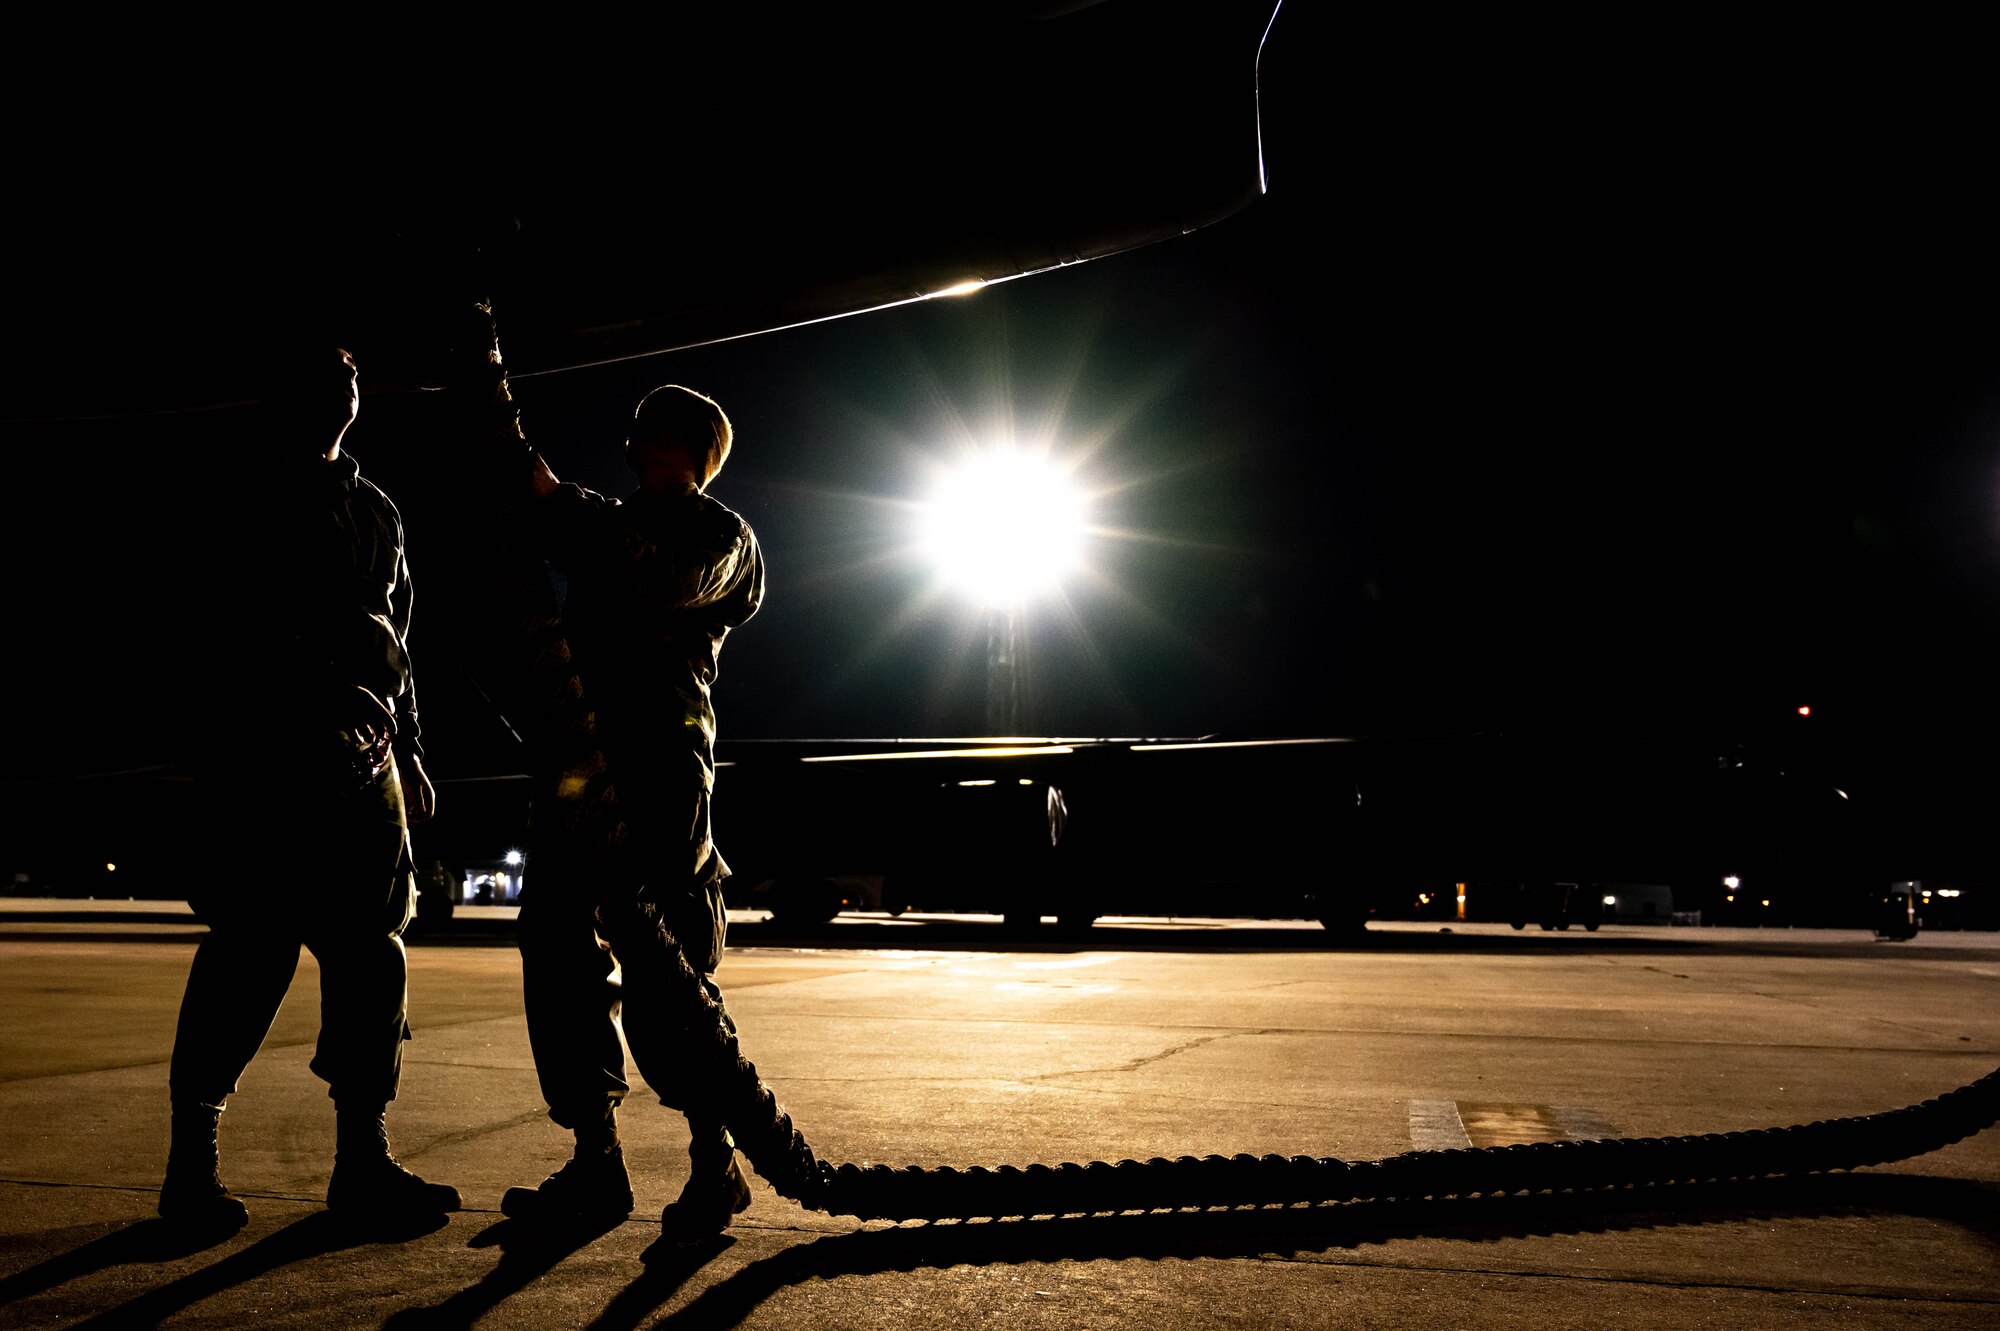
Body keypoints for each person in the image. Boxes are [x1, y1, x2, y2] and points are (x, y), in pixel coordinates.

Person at [158, 345, 460, 1227]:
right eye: (322, 379)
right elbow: (212, 633)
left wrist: (409, 750)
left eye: (351, 377)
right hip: (265, 761)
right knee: (250, 954)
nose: (343, 390)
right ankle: (191, 1168)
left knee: (376, 956)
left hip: (365, 766)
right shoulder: (238, 496)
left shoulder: (377, 510)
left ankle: (362, 1162)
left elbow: (402, 642)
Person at [482, 378, 766, 1241]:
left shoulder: (722, 538)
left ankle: (714, 1162)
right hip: (578, 766)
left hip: (661, 773)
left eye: (669, 439)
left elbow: (663, 577)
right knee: (557, 950)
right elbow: (544, 520)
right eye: (641, 435)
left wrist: (562, 506)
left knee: (670, 969)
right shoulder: (600, 521)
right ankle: (595, 1159)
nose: (647, 449)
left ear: (702, 454)